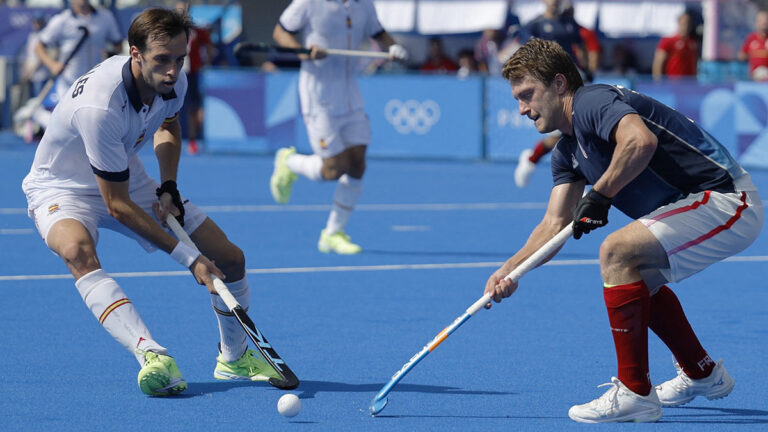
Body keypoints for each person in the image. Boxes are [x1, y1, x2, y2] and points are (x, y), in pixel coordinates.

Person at [486, 38, 762, 423]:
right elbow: (553, 224)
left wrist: (599, 195)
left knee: (616, 251)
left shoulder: (591, 102)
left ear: (560, 84)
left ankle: (636, 393)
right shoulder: (567, 152)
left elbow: (639, 140)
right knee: (636, 278)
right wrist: (509, 271)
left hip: (726, 199)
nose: (522, 110)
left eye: (527, 95)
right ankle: (702, 373)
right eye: (517, 99)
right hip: (695, 206)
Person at [21, 8, 285, 396]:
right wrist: (189, 259)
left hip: (121, 174)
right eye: (162, 59)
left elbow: (169, 124)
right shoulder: (101, 106)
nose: (173, 70)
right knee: (77, 250)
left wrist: (169, 187)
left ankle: (234, 358)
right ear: (135, 54)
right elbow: (117, 206)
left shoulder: (171, 82)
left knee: (230, 258)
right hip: (61, 187)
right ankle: (151, 353)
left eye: (179, 59)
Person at [271, 0, 408, 255]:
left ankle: (333, 233)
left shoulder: (364, 4)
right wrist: (303, 51)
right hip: (319, 96)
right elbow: (280, 32)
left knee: (357, 163)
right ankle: (289, 162)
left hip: (350, 94)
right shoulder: (308, 2)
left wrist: (395, 48)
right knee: (334, 169)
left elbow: (380, 34)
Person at [514, 0, 589, 188]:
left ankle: (588, 183)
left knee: (579, 130)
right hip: (552, 86)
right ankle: (532, 159)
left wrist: (586, 68)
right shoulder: (535, 24)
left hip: (573, 80)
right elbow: (525, 53)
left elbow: (581, 46)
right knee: (565, 132)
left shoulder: (569, 22)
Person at [34, 0, 123, 108]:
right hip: (69, 86)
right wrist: (53, 65)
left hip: (96, 85)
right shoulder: (61, 20)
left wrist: (109, 54)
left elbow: (118, 45)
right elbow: (39, 47)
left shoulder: (106, 17)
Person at [175, 1, 216, 155]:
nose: (182, 12)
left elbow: (210, 47)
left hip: (192, 74)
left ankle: (193, 141)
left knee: (194, 108)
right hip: (175, 73)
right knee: (170, 108)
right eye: (179, 10)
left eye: (185, 10)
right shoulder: (170, 31)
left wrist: (206, 62)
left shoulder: (197, 31)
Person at [652, 10, 699, 81]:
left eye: (688, 23)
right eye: (684, 23)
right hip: (673, 82)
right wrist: (657, 80)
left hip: (689, 83)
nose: (686, 26)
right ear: (679, 23)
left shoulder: (693, 42)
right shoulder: (669, 41)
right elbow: (658, 61)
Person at [738, 9, 768, 81]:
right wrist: (754, 54)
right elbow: (741, 56)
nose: (763, 23)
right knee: (761, 72)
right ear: (756, 23)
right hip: (756, 74)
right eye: (761, 21)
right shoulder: (751, 38)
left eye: (765, 21)